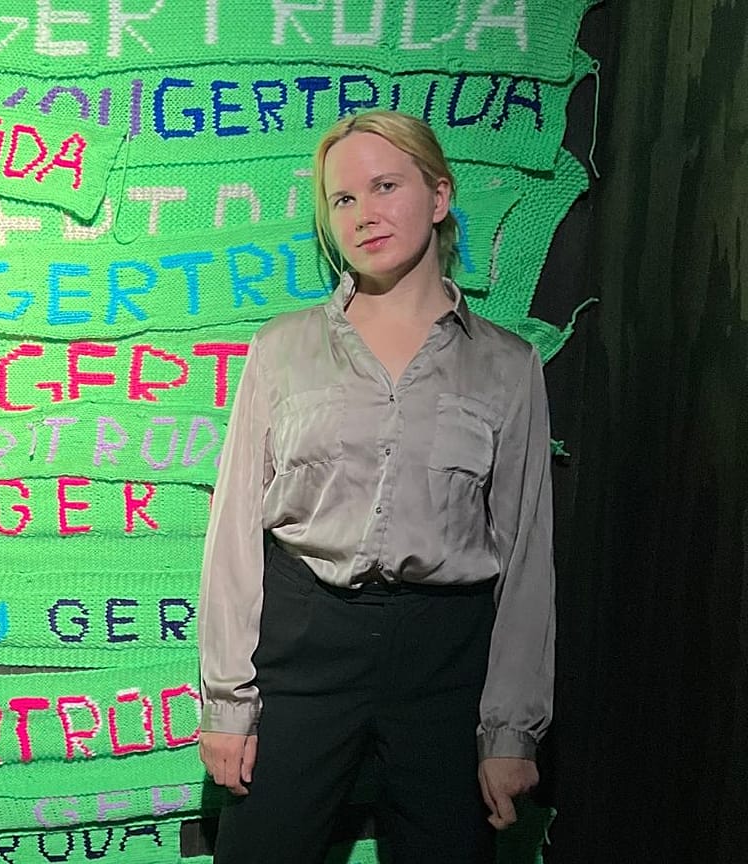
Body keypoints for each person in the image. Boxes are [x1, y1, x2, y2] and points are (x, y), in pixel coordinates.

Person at [196, 109, 555, 864]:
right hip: (305, 644)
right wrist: (227, 703)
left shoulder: (508, 366)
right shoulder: (281, 350)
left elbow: (526, 556)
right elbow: (233, 533)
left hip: (445, 661)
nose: (364, 214)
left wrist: (510, 729)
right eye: (343, 199)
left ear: (438, 195)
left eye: (385, 186)